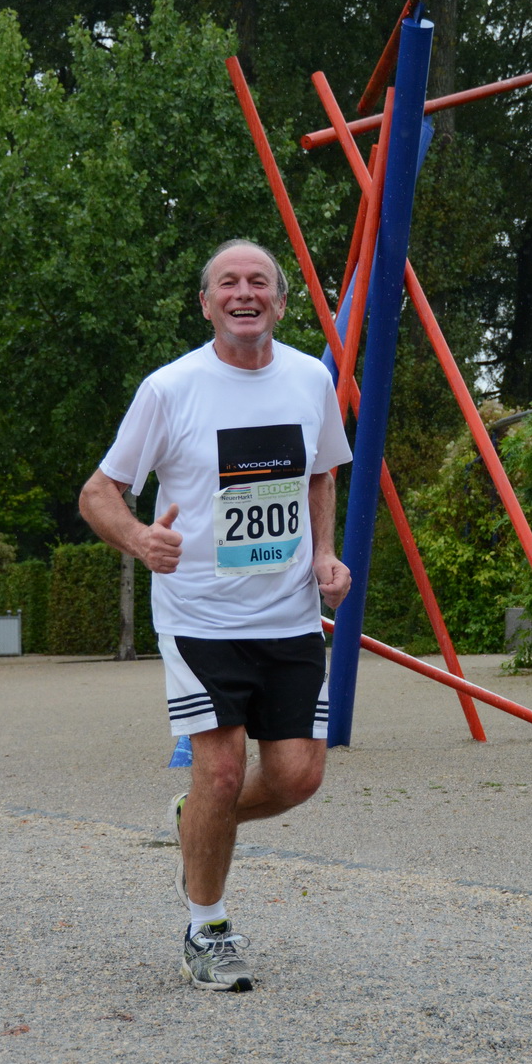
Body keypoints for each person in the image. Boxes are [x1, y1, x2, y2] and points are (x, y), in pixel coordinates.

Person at [79, 239, 352, 992]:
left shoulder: (309, 380)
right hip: (200, 619)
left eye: (257, 282)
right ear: (205, 304)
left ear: (281, 300)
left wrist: (325, 555)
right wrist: (139, 537)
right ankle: (207, 926)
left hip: (291, 617)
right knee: (224, 769)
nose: (243, 293)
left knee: (296, 777)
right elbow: (98, 492)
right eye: (227, 282)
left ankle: (194, 812)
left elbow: (322, 471)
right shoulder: (170, 389)